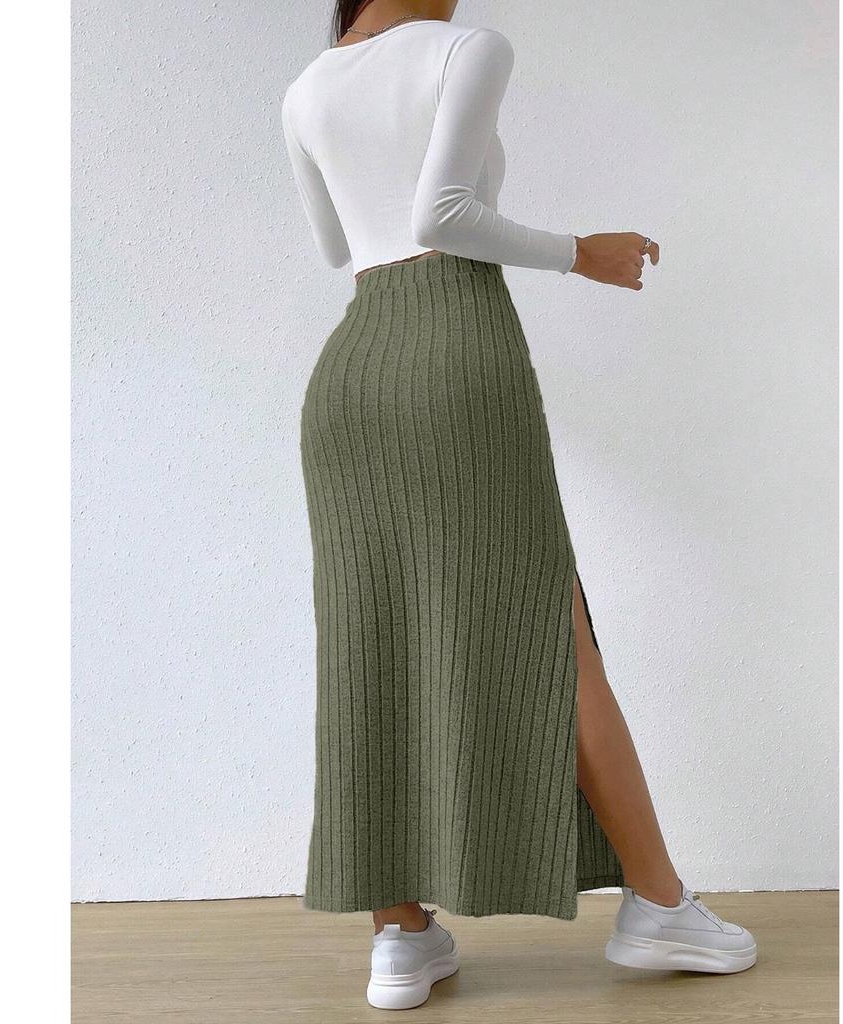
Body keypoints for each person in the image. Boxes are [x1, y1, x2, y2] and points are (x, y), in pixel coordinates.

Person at [281, 0, 756, 1009]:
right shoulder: (467, 48)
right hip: (456, 351)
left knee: (374, 641)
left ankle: (401, 936)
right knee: (550, 628)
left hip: (352, 375)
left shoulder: (308, 87)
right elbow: (441, 216)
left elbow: (336, 243)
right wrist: (585, 250)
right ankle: (659, 905)